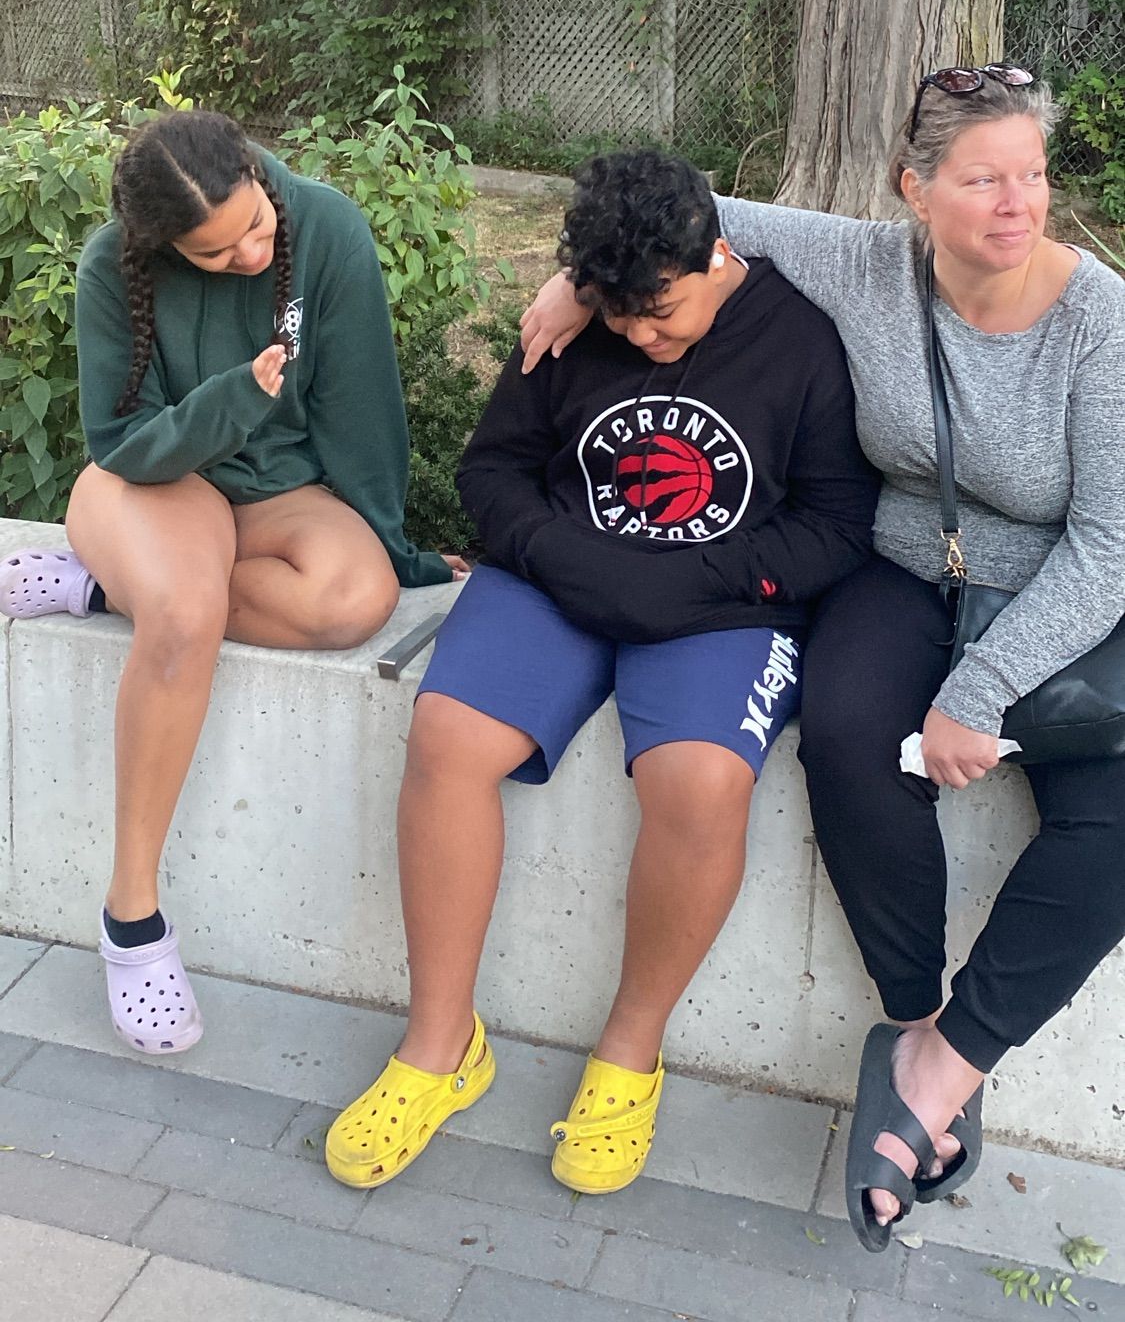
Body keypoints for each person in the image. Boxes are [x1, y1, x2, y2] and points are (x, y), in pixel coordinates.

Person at [520, 70, 1125, 1248]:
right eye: (984, 177)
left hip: (1059, 593)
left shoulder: (1101, 318)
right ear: (915, 189)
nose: (1019, 204)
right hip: (900, 569)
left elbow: (1111, 547)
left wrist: (980, 690)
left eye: (1033, 175)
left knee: (1118, 817)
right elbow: (696, 211)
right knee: (846, 739)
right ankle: (908, 1016)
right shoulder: (859, 258)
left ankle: (951, 1060)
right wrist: (574, 279)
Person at [324, 149, 877, 1195]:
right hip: (560, 576)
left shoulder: (802, 342)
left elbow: (838, 526)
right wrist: (567, 556)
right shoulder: (586, 318)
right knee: (447, 735)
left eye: (659, 313)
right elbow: (491, 467)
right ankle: (441, 1044)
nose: (638, 336)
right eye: (618, 314)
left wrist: (695, 584)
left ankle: (629, 1050)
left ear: (717, 254)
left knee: (701, 778)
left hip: (718, 601)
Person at [0, 110, 464, 1054]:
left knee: (355, 599)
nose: (250, 253)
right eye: (214, 254)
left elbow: (363, 403)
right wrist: (233, 398)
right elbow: (122, 440)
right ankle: (132, 918)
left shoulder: (324, 227)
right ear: (161, 246)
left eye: (255, 226)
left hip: (277, 486)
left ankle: (96, 587)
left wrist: (398, 545)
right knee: (184, 610)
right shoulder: (110, 267)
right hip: (157, 476)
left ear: (257, 174)